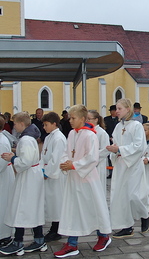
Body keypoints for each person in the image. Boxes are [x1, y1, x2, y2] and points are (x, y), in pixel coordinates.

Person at [54, 105, 111, 258]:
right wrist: (65, 162)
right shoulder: (72, 133)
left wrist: (74, 165)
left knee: (93, 208)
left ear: (83, 119)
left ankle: (104, 235)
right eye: (70, 118)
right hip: (73, 178)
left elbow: (92, 157)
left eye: (73, 118)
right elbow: (66, 152)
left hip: (87, 178)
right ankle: (72, 244)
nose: (70, 121)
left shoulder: (90, 135)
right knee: (73, 209)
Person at [0, 112, 46, 256]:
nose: (14, 127)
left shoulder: (25, 139)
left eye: (14, 124)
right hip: (32, 176)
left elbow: (25, 162)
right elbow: (29, 156)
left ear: (21, 124)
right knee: (32, 208)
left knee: (20, 208)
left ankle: (18, 243)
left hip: (28, 177)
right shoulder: (29, 138)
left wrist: (13, 158)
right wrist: (15, 153)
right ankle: (39, 240)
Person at [106, 98, 149, 238]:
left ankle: (144, 214)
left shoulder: (136, 126)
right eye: (116, 109)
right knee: (120, 196)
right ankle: (126, 226)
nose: (116, 111)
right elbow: (116, 144)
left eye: (119, 108)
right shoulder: (118, 126)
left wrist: (119, 149)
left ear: (128, 109)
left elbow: (140, 147)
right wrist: (114, 150)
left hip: (133, 165)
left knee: (132, 195)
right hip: (120, 164)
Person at [41, 112, 67, 242]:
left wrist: (48, 172)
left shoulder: (59, 138)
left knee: (57, 202)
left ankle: (56, 229)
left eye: (46, 125)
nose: (44, 127)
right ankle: (54, 227)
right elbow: (44, 156)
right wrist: (42, 169)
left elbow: (56, 159)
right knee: (51, 202)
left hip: (56, 175)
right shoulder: (49, 137)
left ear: (54, 124)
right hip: (48, 173)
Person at [0, 115, 15, 248]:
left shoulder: (2, 141)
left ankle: (5, 236)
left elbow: (1, 163)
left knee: (3, 206)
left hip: (4, 177)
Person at [87, 110, 110, 196]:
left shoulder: (101, 133)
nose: (87, 121)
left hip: (98, 164)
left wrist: (93, 157)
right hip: (87, 164)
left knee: (97, 190)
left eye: (89, 119)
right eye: (86, 119)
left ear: (96, 119)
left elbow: (106, 149)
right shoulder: (87, 132)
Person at [104, 105, 119, 179]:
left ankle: (114, 171)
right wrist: (109, 137)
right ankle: (110, 172)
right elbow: (105, 129)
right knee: (109, 156)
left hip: (116, 141)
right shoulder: (106, 119)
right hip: (109, 139)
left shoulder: (118, 120)